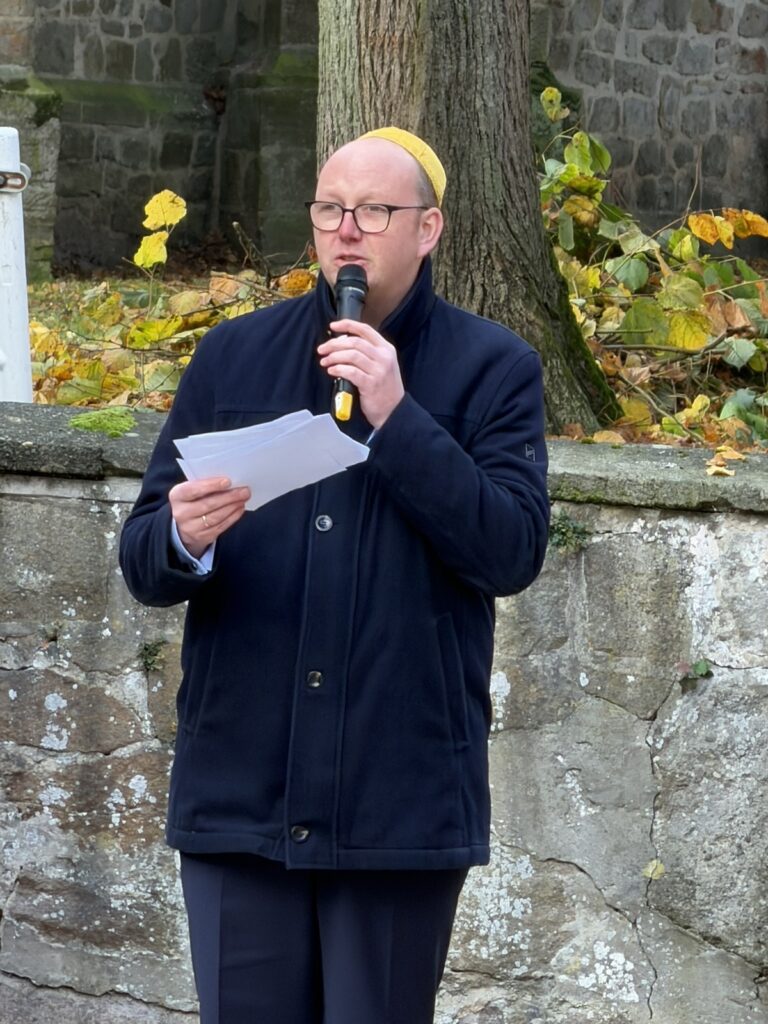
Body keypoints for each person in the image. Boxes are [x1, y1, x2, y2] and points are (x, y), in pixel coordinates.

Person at [119, 126, 549, 1024]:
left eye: (374, 211)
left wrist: (399, 417)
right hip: (242, 794)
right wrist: (182, 537)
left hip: (397, 806)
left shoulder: (494, 367)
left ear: (427, 229)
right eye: (329, 209)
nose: (346, 230)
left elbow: (510, 551)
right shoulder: (233, 356)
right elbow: (145, 556)